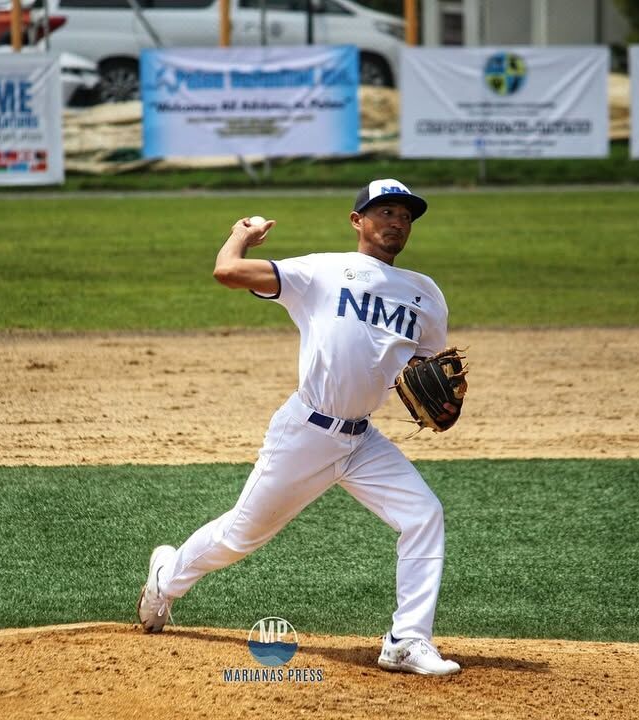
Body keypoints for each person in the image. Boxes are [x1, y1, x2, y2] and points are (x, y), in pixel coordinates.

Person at [137, 179, 461, 676]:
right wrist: (241, 234)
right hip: (305, 434)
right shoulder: (321, 271)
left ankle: (406, 640)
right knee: (240, 536)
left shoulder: (425, 294)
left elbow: (426, 368)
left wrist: (441, 402)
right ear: (358, 221)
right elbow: (227, 272)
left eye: (405, 215)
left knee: (423, 515)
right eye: (385, 211)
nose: (396, 221)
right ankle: (166, 579)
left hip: (362, 441)